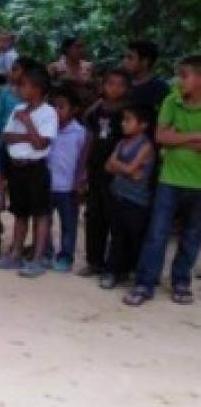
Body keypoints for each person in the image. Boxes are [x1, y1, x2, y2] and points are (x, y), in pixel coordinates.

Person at [125, 55, 201, 307]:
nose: (180, 81)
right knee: (157, 233)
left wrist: (177, 136)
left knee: (192, 234)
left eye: (185, 75)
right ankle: (145, 284)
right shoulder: (171, 100)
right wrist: (195, 137)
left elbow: (170, 136)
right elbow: (160, 137)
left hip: (199, 183)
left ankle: (181, 281)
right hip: (169, 179)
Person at [0, 63, 58, 277]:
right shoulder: (18, 109)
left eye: (24, 85)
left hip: (35, 168)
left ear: (37, 89)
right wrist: (29, 135)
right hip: (16, 167)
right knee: (19, 213)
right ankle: (16, 254)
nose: (20, 90)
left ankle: (37, 259)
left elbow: (41, 145)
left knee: (41, 215)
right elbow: (8, 137)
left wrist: (28, 124)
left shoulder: (49, 112)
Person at [80, 68, 132, 277]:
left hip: (118, 173)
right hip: (95, 171)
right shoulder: (96, 111)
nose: (115, 88)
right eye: (110, 83)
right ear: (103, 86)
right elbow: (89, 138)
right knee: (94, 217)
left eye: (120, 84)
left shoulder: (128, 113)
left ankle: (116, 265)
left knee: (116, 218)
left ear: (127, 88)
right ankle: (94, 261)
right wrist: (83, 169)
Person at [100, 106, 157, 291]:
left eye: (129, 120)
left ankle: (133, 271)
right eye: (123, 119)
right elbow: (109, 167)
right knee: (117, 237)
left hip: (137, 200)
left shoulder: (146, 146)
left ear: (143, 125)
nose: (124, 123)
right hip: (118, 195)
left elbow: (128, 169)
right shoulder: (121, 143)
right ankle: (112, 271)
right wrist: (126, 169)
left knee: (135, 238)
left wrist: (123, 167)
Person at [47, 86, 88, 272]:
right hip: (47, 184)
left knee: (69, 224)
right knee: (45, 220)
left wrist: (80, 183)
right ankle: (45, 250)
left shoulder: (80, 133)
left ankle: (66, 255)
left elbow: (83, 160)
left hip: (68, 187)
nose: (57, 111)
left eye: (62, 107)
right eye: (54, 106)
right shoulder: (48, 129)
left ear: (74, 110)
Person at [122, 40, 170, 113]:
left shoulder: (159, 88)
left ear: (145, 62)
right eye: (124, 57)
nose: (125, 61)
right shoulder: (122, 84)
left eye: (130, 58)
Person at [49, 36, 96, 105]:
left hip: (87, 108)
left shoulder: (89, 67)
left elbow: (97, 87)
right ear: (67, 49)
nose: (81, 50)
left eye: (82, 47)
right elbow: (45, 88)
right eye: (77, 47)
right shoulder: (55, 68)